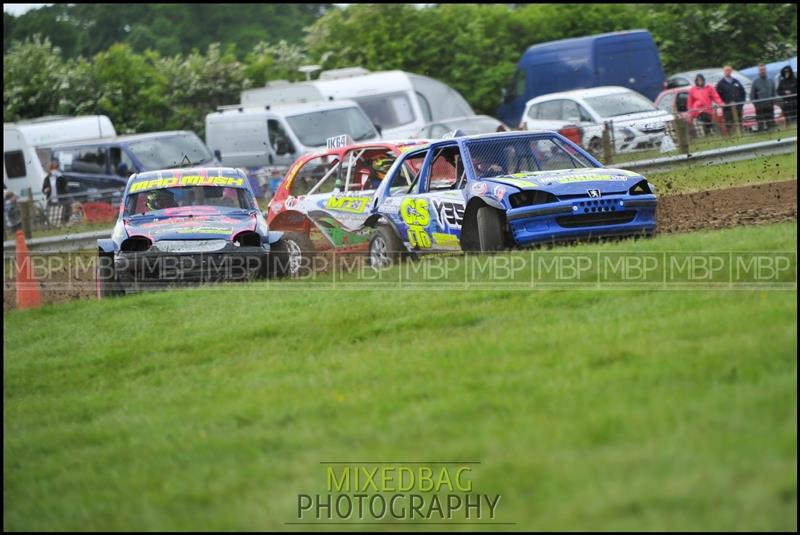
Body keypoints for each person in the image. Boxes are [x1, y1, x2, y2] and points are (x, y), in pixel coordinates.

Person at [715, 65, 746, 134]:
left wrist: (741, 103)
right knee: (729, 124)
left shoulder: (736, 81)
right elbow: (717, 96)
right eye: (726, 70)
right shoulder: (720, 84)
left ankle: (741, 135)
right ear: (724, 72)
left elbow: (743, 92)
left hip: (738, 107)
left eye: (729, 70)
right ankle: (732, 137)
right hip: (727, 109)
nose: (727, 72)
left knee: (739, 121)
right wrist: (722, 104)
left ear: (731, 71)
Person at [41, 159, 71, 224]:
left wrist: (60, 176)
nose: (54, 170)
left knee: (61, 216)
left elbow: (65, 184)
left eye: (55, 168)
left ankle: (63, 224)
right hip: (51, 200)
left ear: (58, 168)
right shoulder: (47, 178)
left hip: (60, 200)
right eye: (53, 168)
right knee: (51, 216)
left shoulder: (60, 177)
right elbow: (43, 189)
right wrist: (46, 190)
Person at [751, 63, 777, 132]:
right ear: (758, 71)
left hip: (769, 106)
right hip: (760, 108)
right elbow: (752, 96)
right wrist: (756, 106)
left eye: (764, 69)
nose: (763, 71)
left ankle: (773, 136)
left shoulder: (770, 80)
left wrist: (773, 102)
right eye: (761, 70)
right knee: (761, 125)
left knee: (771, 124)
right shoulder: (755, 81)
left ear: (766, 70)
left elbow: (774, 93)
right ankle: (762, 136)